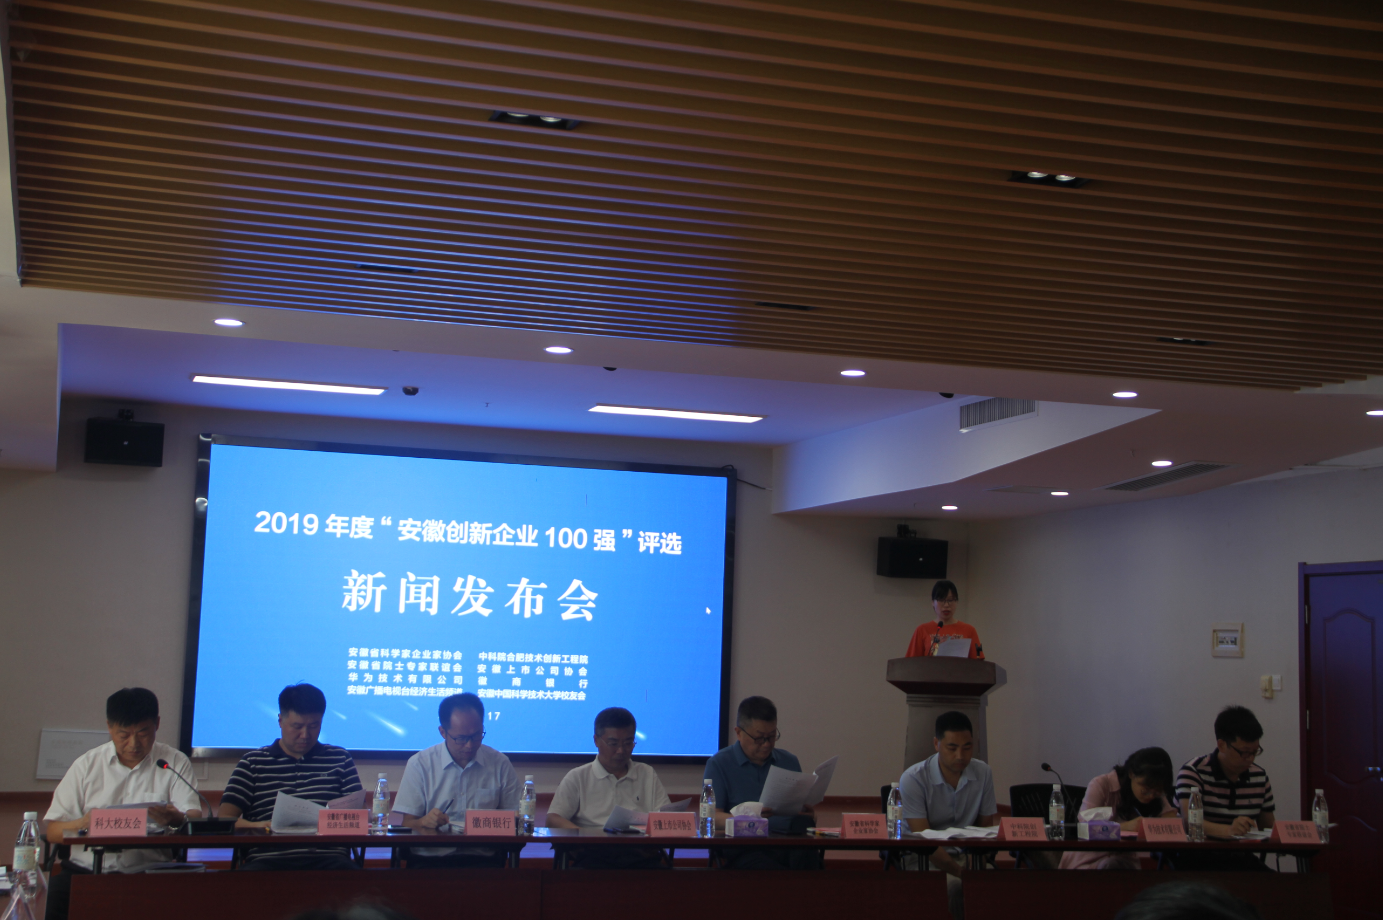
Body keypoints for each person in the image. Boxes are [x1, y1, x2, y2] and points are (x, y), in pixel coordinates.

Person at [43, 688, 203, 920]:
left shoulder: (174, 762)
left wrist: (177, 818)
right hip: (85, 871)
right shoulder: (86, 765)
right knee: (52, 899)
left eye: (143, 732)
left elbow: (194, 816)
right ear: (109, 727)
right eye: (123, 735)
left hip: (150, 874)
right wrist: (84, 823)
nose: (133, 743)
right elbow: (53, 831)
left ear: (157, 724)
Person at [218, 683, 363, 870]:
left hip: (329, 859)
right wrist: (262, 826)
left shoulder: (340, 759)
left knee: (360, 879)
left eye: (314, 726)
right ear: (280, 720)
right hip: (267, 860)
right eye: (297, 726)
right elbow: (225, 819)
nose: (305, 735)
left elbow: (360, 818)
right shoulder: (253, 763)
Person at [394, 692, 520, 868]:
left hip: (483, 861)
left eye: (476, 735)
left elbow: (516, 819)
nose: (470, 745)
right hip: (430, 861)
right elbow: (407, 824)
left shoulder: (499, 763)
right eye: (461, 738)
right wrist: (424, 822)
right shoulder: (420, 764)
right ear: (443, 732)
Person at [899, 710, 999, 920]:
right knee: (958, 890)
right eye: (952, 748)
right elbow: (924, 840)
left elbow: (986, 829)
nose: (960, 756)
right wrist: (961, 872)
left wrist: (975, 858)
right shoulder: (913, 778)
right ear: (936, 744)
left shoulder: (983, 773)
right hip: (925, 858)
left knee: (1001, 888)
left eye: (967, 747)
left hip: (968, 855)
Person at [703, 696, 821, 869]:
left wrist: (809, 814)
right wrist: (749, 817)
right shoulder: (718, 764)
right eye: (759, 738)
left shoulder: (789, 761)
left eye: (772, 737)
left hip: (787, 841)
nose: (766, 744)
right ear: (738, 732)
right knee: (764, 866)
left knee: (806, 845)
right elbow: (710, 817)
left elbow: (799, 810)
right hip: (744, 844)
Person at [1174, 705, 1275, 871]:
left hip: (1241, 858)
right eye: (1244, 752)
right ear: (1221, 745)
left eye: (1255, 752)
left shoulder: (1259, 776)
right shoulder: (1193, 771)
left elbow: (1268, 827)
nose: (1250, 759)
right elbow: (1189, 822)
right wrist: (1229, 831)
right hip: (1197, 859)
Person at [1060, 747, 1179, 870]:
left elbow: (1171, 823)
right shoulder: (1101, 784)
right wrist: (1125, 827)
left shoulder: (1155, 793)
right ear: (1131, 774)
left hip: (1124, 863)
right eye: (1145, 790)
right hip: (1088, 861)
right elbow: (1083, 830)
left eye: (1157, 792)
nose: (1151, 796)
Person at [906, 580, 984, 659]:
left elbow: (977, 663)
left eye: (950, 600)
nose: (946, 605)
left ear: (957, 601)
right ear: (933, 602)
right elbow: (911, 663)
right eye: (941, 600)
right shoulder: (922, 630)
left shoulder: (969, 630)